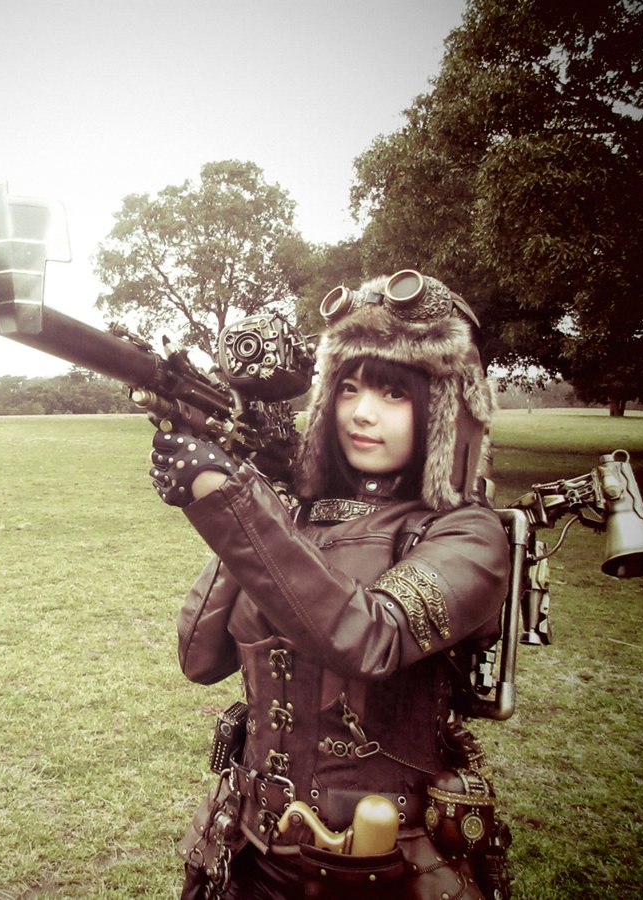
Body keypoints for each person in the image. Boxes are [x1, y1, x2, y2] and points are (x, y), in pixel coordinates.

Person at [149, 271, 513, 899]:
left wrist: (230, 496)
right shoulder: (295, 516)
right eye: (348, 388)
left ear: (442, 410)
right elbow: (199, 659)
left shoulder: (468, 534)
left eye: (393, 393)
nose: (362, 413)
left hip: (386, 866)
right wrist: (262, 498)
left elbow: (371, 637)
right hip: (247, 847)